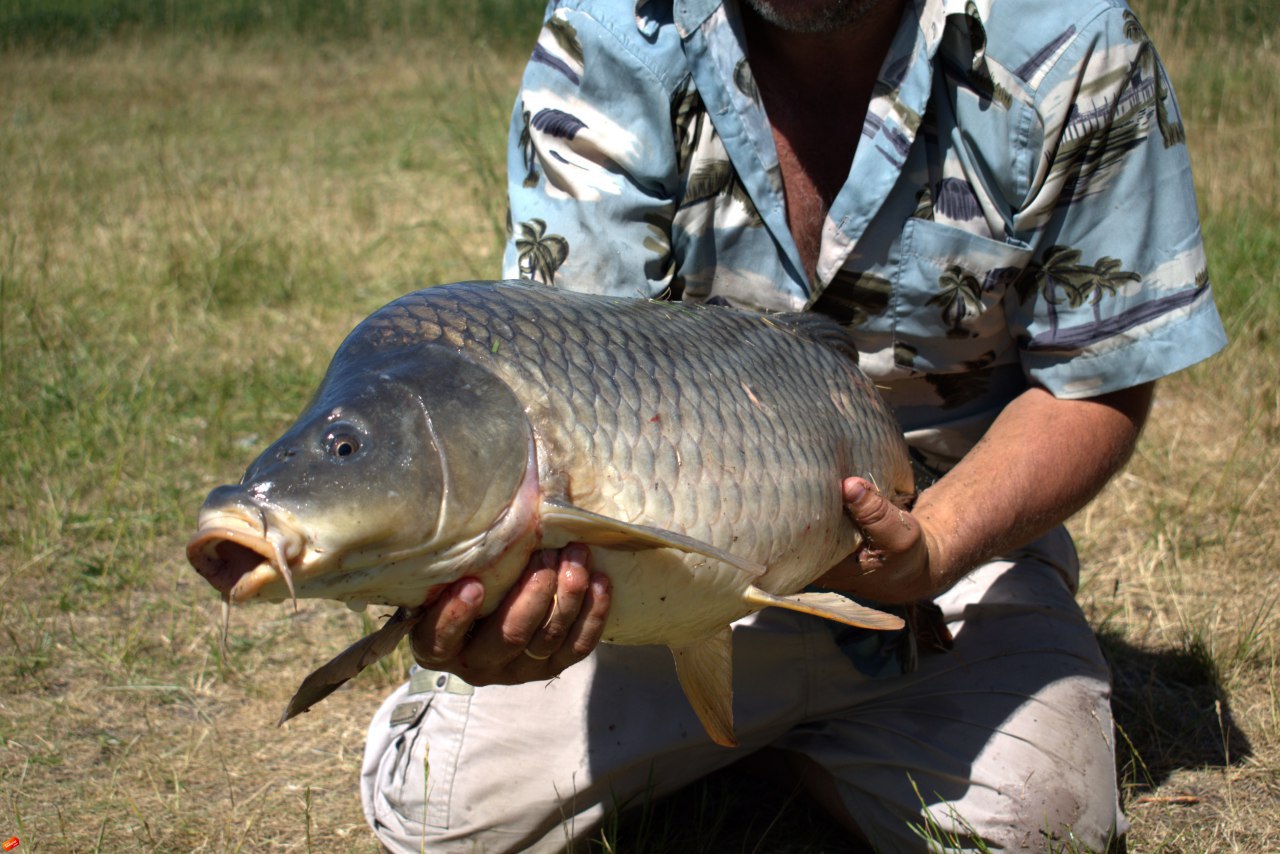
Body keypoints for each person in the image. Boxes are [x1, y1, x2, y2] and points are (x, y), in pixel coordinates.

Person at [361, 0, 1227, 850]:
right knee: (443, 822)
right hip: (647, 563)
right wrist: (512, 596)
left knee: (1048, 830)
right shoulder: (611, 31)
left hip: (952, 551)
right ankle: (753, 735)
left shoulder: (1072, 38)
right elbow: (567, 399)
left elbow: (1098, 377)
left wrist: (939, 540)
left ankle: (773, 745)